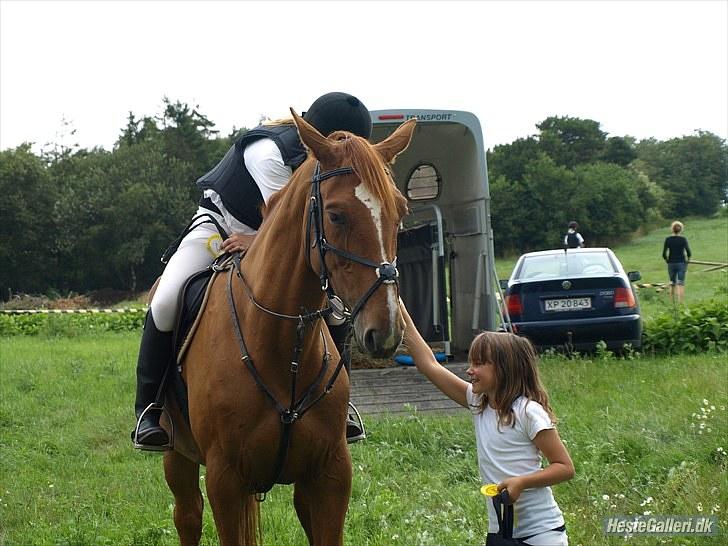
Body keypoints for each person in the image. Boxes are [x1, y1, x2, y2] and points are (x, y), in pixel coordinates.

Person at [133, 92, 372, 449]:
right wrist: (254, 240)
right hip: (221, 227)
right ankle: (149, 409)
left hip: (272, 236)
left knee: (335, 310)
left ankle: (343, 405)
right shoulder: (269, 152)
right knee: (167, 299)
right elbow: (281, 225)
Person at [400, 302, 574, 545]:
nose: (470, 371)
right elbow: (429, 365)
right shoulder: (478, 403)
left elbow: (565, 467)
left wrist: (521, 482)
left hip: (541, 534)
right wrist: (399, 308)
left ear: (505, 369)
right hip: (502, 531)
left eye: (479, 364)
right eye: (471, 363)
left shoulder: (528, 412)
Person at [662, 220, 691, 305]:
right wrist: (687, 260)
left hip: (671, 263)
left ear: (672, 229)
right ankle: (681, 302)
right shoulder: (683, 239)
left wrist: (667, 260)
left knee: (672, 282)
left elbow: (664, 254)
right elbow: (688, 252)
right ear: (681, 229)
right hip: (681, 262)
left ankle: (672, 303)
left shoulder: (668, 239)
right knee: (681, 283)